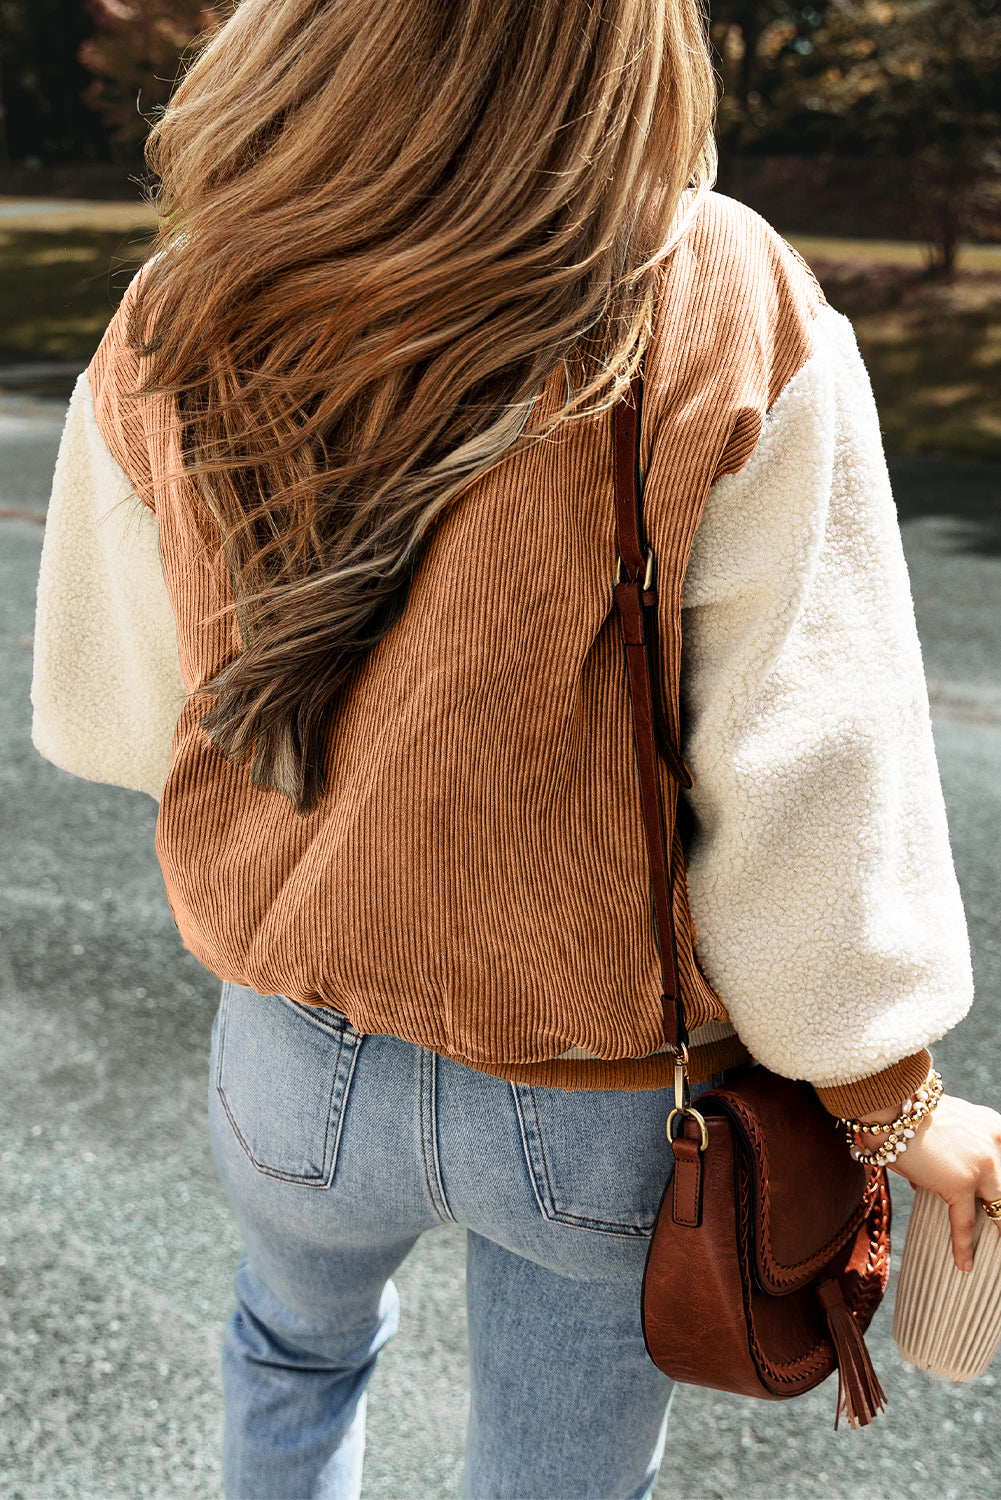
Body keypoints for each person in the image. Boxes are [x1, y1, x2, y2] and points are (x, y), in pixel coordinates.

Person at [29, 0, 1001, 1496]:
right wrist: (892, 1098)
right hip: (604, 1099)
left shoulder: (189, 292)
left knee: (288, 1359)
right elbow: (805, 772)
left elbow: (118, 711)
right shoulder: (714, 287)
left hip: (295, 1050)